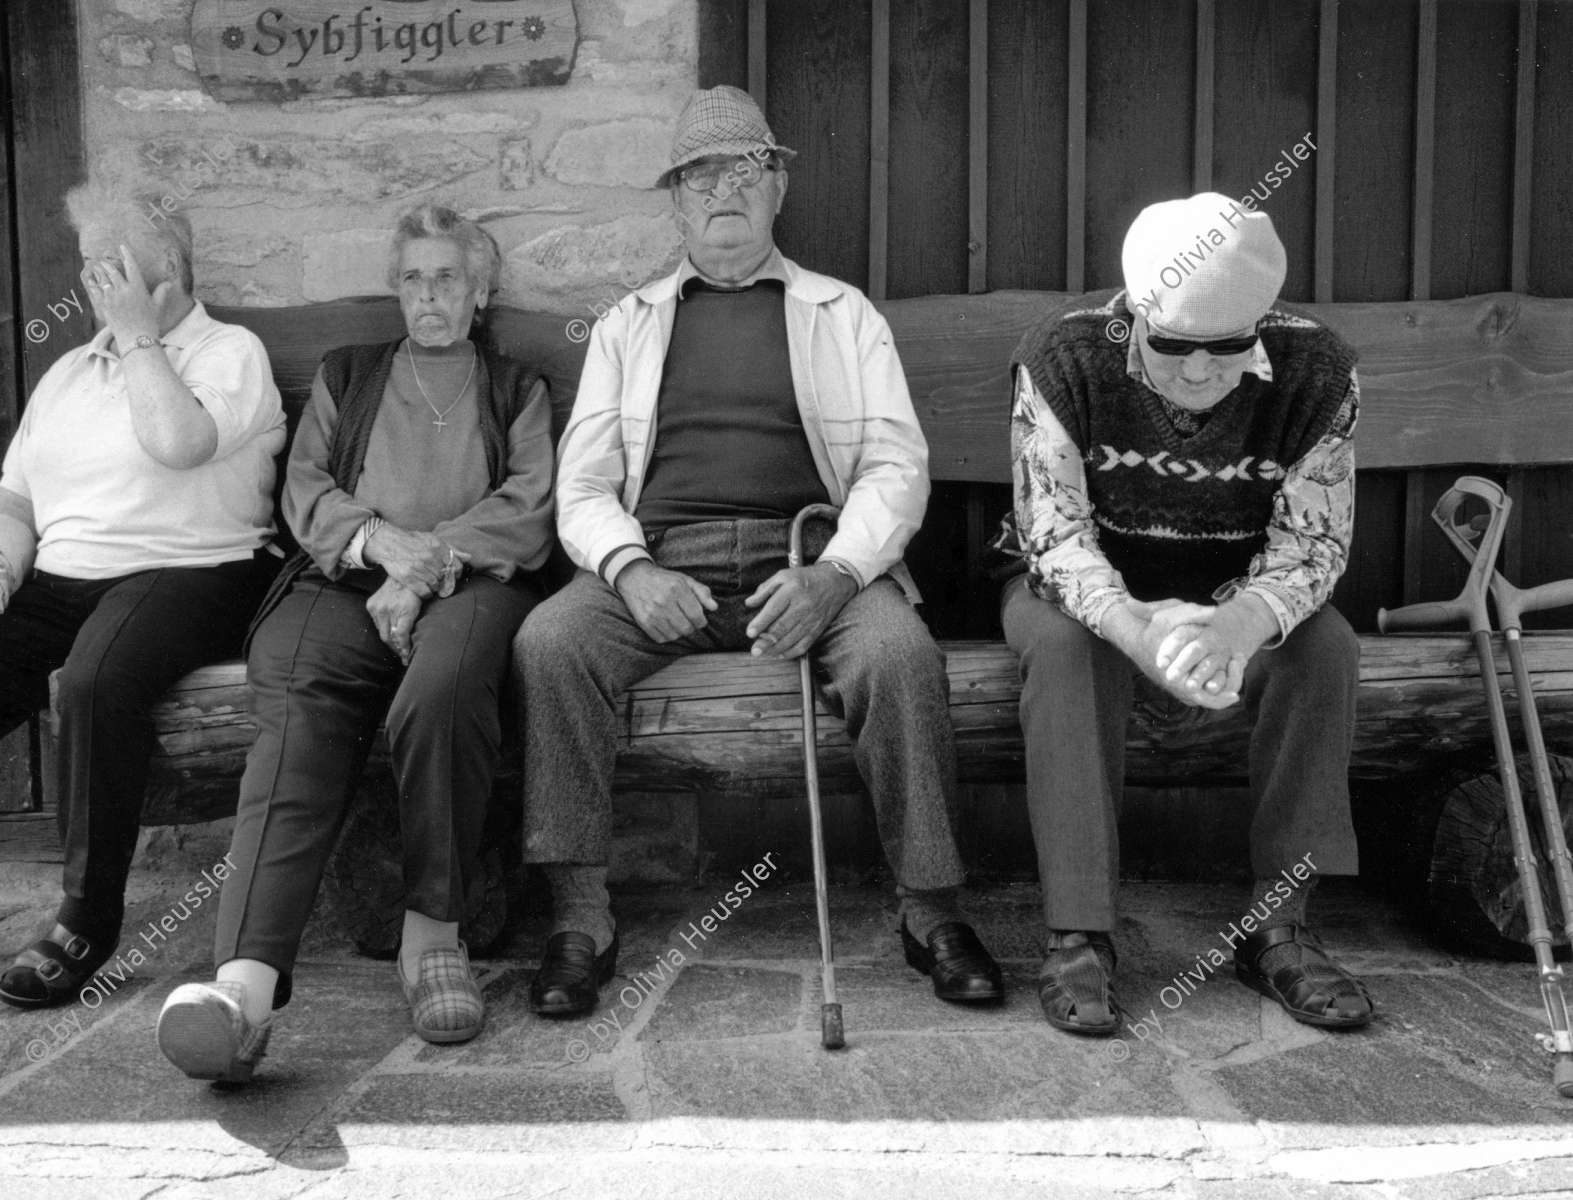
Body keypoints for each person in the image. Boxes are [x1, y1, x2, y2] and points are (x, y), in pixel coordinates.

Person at [512, 85, 1000, 1021]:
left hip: (812, 553)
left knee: (901, 656)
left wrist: (837, 575)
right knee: (550, 642)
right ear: (677, 201)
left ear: (777, 187)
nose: (721, 191)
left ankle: (932, 913)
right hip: (663, 564)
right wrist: (631, 570)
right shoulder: (628, 324)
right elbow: (580, 487)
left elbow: (897, 468)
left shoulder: (842, 313)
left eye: (743, 170)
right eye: (700, 176)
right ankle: (581, 919)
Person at [0, 181, 285, 1009]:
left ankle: (85, 917)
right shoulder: (69, 373)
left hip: (195, 572)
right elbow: (16, 502)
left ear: (171, 271)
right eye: (87, 268)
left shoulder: (229, 353)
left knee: (95, 678)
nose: (93, 287)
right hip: (63, 580)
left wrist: (142, 340)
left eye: (112, 268)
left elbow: (180, 443)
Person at [155, 205, 554, 1084]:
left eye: (446, 277)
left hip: (473, 580)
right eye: (411, 278)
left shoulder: (516, 388)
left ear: (481, 291)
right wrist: (382, 549)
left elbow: (528, 507)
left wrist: (427, 565)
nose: (427, 295)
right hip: (345, 575)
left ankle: (433, 938)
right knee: (300, 695)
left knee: (443, 690)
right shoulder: (351, 373)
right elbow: (306, 492)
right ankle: (243, 988)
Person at [1002, 192, 1371, 1036]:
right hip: (1084, 585)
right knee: (1067, 651)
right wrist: (1135, 626)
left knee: (1327, 651)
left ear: (1264, 322)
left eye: (1228, 347)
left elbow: (1313, 546)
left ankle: (1281, 926)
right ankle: (1078, 932)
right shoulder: (1061, 355)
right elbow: (1052, 536)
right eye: (1172, 346)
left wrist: (1239, 626)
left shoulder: (1321, 370)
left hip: (1236, 584)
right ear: (1135, 314)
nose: (1200, 372)